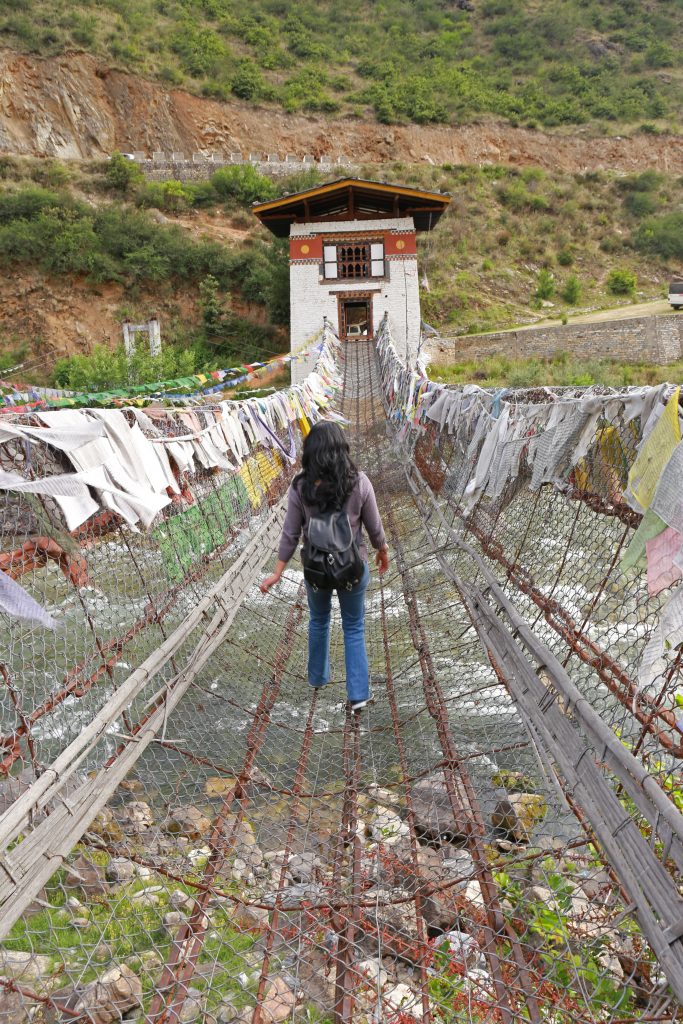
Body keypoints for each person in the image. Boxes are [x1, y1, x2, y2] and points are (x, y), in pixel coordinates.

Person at [260, 421, 389, 711]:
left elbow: (291, 534)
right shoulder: (359, 482)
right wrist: (383, 550)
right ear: (341, 450)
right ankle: (358, 695)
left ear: (310, 453)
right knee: (353, 626)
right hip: (351, 569)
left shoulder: (300, 487)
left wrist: (277, 572)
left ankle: (317, 678)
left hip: (316, 570)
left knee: (319, 620)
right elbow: (374, 526)